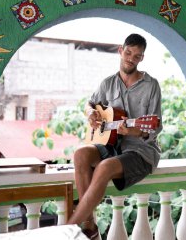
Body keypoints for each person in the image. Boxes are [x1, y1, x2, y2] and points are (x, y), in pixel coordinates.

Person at [67, 33, 162, 239]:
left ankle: (68, 229)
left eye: (137, 56)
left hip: (139, 151)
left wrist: (135, 131)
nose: (131, 59)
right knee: (80, 154)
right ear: (121, 51)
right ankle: (90, 225)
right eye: (128, 53)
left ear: (141, 59)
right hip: (111, 145)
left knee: (104, 167)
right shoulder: (107, 83)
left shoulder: (151, 85)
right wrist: (90, 113)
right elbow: (90, 104)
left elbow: (154, 127)